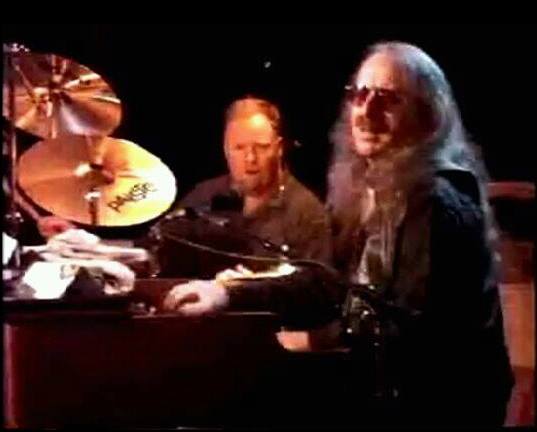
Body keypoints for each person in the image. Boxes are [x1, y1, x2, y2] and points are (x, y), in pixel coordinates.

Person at [163, 42, 514, 427]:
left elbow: (407, 335)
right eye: (360, 95)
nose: (367, 111)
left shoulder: (439, 201)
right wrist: (228, 292)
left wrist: (318, 344)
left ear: (427, 115)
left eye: (388, 99)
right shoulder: (372, 188)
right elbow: (328, 283)